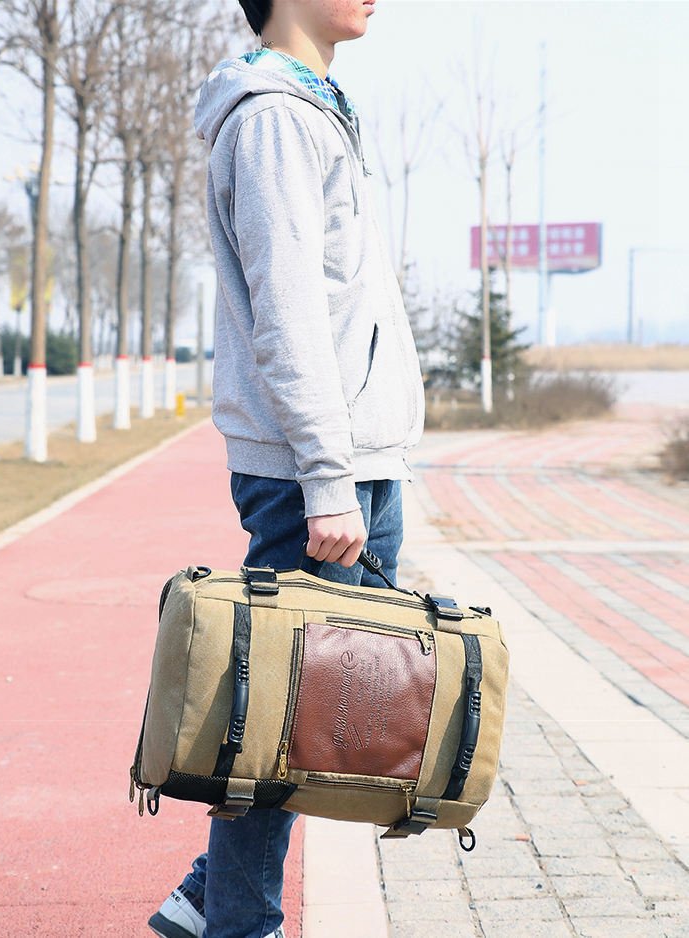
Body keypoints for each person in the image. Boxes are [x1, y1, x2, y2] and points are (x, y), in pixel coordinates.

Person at [149, 1, 424, 936]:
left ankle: (206, 897)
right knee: (281, 718)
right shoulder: (272, 117)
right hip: (320, 468)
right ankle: (236, 919)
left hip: (351, 456)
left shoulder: (312, 105)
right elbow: (290, 311)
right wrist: (327, 477)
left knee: (307, 714)